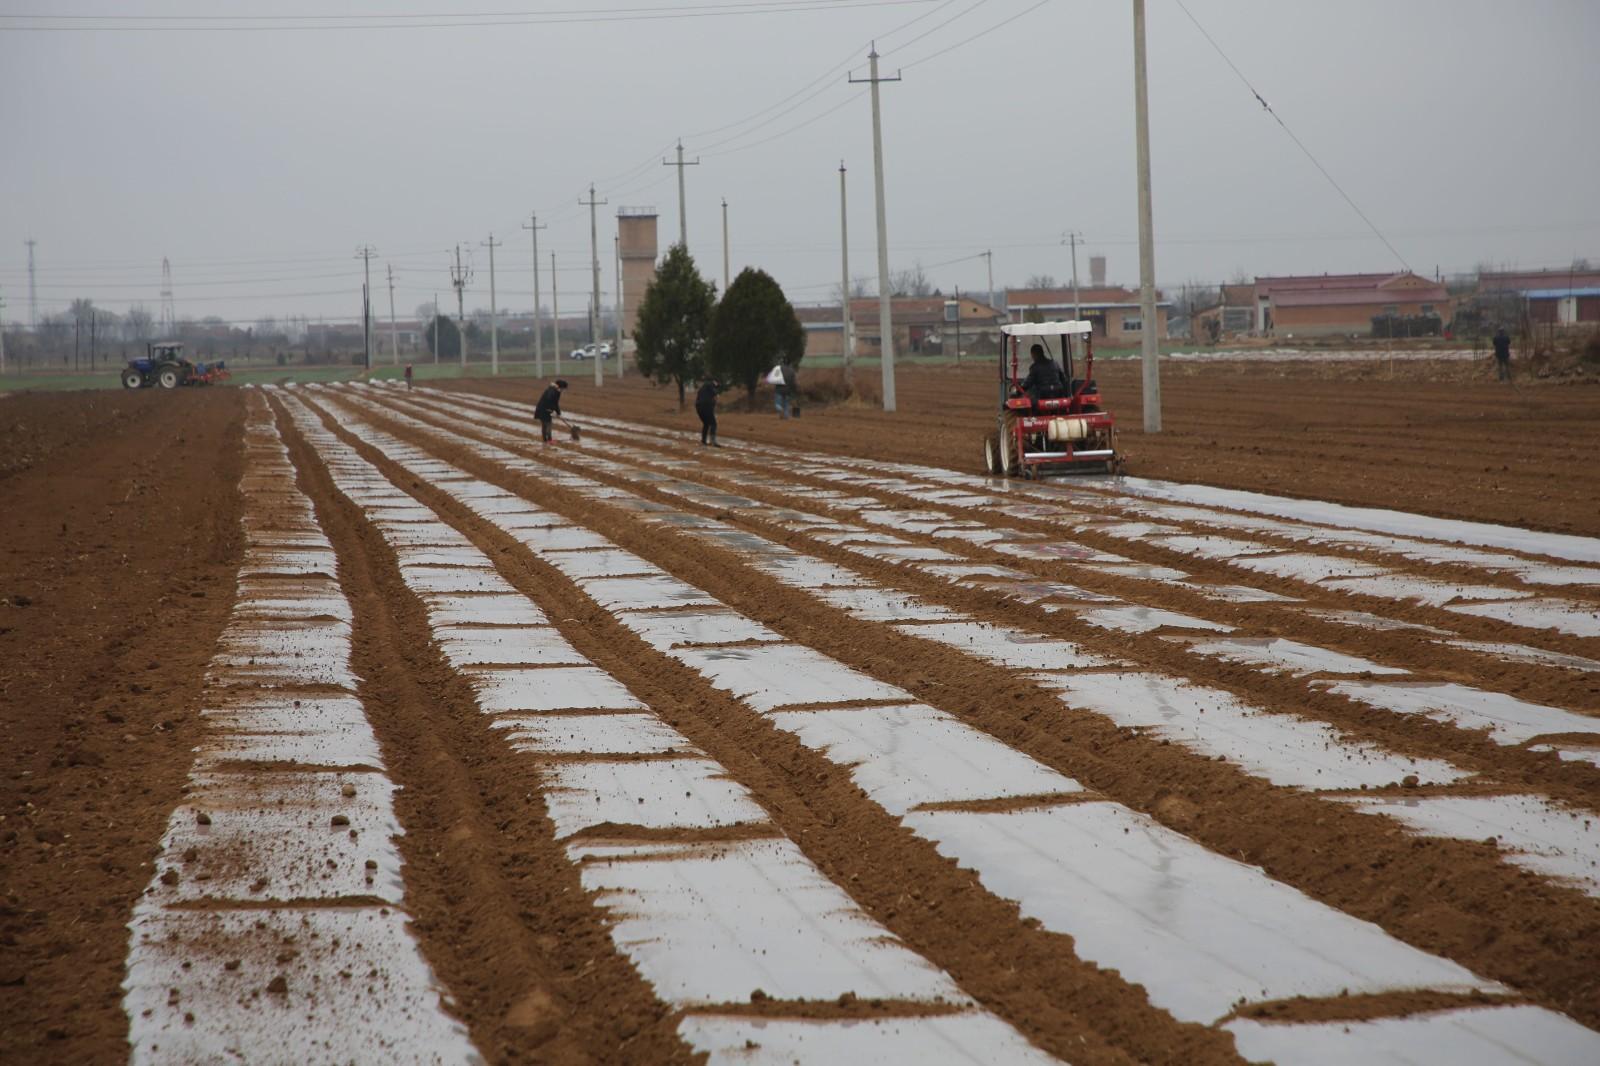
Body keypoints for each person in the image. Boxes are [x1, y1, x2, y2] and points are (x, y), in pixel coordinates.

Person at [534, 378, 568, 443]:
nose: (563, 390)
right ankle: (549, 440)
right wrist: (552, 410)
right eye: (563, 389)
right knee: (548, 424)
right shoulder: (553, 391)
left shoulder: (554, 390)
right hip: (544, 409)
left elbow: (555, 403)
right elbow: (550, 400)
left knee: (545, 424)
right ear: (560, 387)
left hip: (543, 408)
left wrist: (558, 412)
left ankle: (545, 440)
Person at [695, 377, 724, 446]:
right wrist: (716, 396)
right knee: (713, 423)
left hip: (698, 407)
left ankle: (703, 441)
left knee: (706, 424)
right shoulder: (711, 385)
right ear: (716, 382)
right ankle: (713, 441)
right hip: (706, 406)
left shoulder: (703, 387)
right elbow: (714, 395)